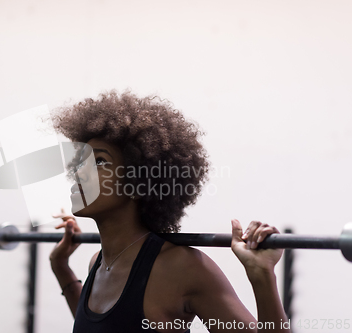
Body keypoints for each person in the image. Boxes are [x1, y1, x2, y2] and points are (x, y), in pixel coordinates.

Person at [48, 90, 290, 333]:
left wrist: (262, 277)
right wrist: (61, 266)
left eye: (99, 161)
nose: (79, 172)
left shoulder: (182, 268)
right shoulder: (98, 263)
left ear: (138, 183)